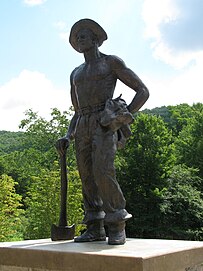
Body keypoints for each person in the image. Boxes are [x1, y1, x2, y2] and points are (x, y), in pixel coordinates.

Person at [57, 18, 149, 245]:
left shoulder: (111, 63)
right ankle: (94, 226)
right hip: (83, 125)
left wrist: (122, 116)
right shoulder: (75, 73)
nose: (79, 39)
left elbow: (142, 91)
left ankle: (117, 223)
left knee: (103, 172)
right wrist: (68, 135)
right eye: (76, 37)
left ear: (96, 39)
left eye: (84, 35)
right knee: (87, 175)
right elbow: (77, 111)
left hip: (104, 122)